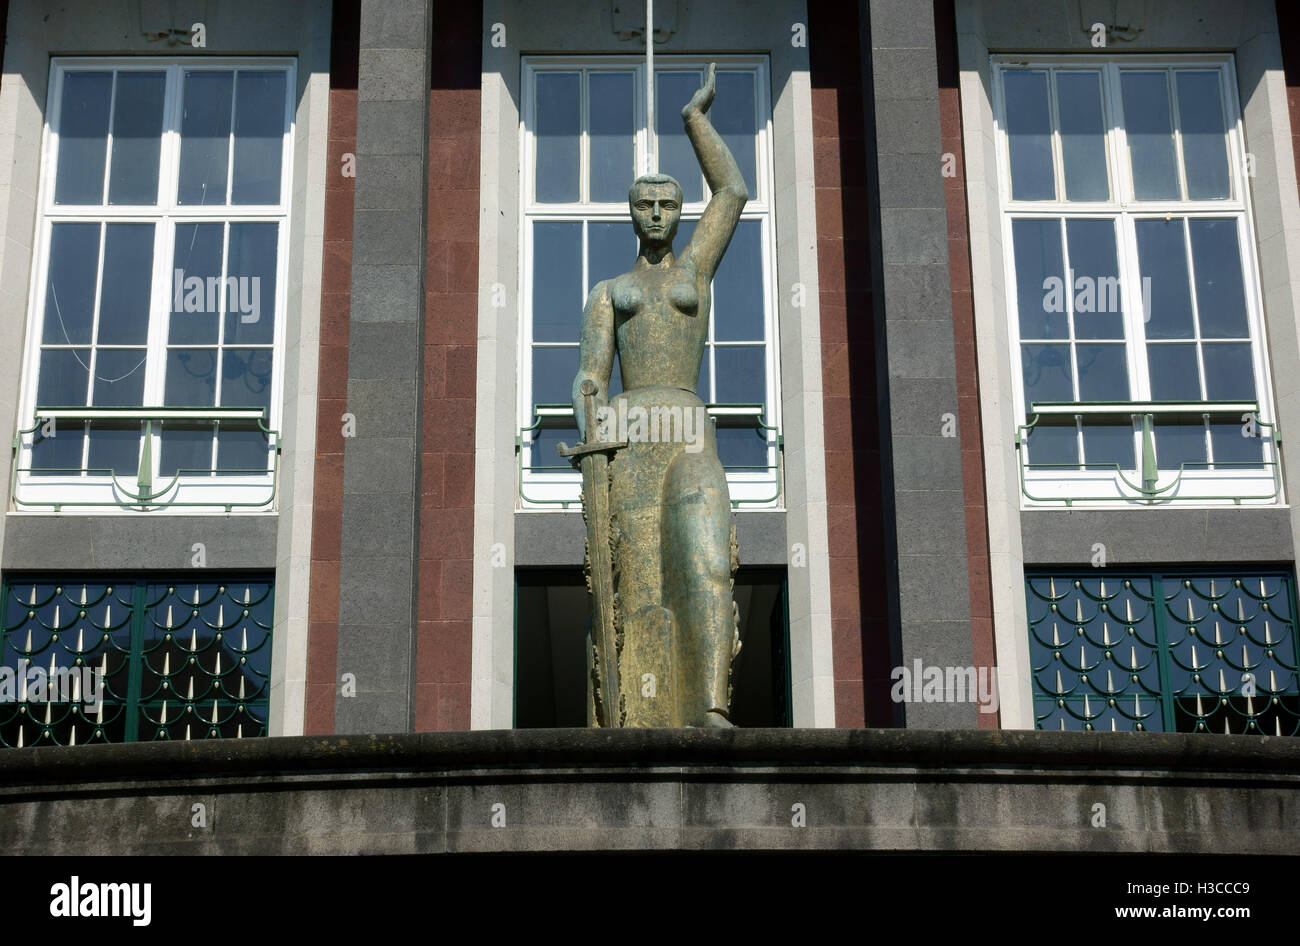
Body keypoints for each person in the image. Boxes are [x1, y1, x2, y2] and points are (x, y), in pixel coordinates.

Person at [571, 64, 746, 727]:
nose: (656, 214)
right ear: (630, 212)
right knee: (641, 585)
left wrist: (694, 120)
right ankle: (639, 719)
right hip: (632, 437)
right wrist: (589, 409)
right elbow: (592, 373)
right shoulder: (609, 293)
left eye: (668, 204)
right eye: (645, 204)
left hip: (688, 428)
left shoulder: (695, 270)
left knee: (706, 560)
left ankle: (711, 703)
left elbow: (731, 190)